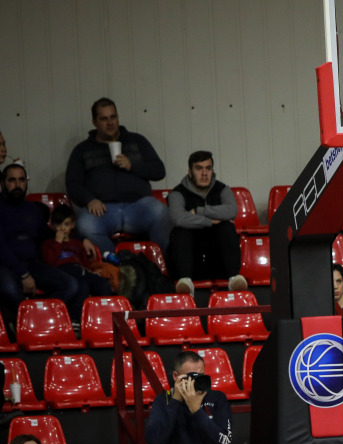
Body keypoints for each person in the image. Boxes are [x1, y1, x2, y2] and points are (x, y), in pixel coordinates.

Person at [66, 98, 169, 255]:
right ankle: (118, 263)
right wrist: (89, 199)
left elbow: (159, 171)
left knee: (162, 213)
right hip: (103, 209)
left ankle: (155, 262)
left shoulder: (137, 141)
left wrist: (132, 165)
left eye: (113, 117)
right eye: (104, 119)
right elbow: (72, 184)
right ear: (94, 122)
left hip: (138, 205)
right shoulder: (82, 150)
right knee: (85, 225)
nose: (110, 123)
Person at [0, 164, 91, 324]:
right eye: (12, 180)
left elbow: (49, 234)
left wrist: (81, 239)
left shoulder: (33, 210)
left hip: (33, 264)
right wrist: (24, 275)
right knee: (9, 289)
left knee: (70, 285)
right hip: (6, 264)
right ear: (3, 183)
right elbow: (2, 248)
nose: (17, 185)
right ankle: (28, 322)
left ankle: (33, 319)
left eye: (21, 180)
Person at [167, 151, 247, 295]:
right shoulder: (177, 193)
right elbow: (178, 218)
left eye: (208, 168)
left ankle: (234, 279)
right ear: (190, 172)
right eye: (199, 168)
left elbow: (231, 211)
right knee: (181, 231)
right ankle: (185, 282)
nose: (204, 173)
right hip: (191, 259)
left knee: (227, 227)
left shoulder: (222, 189)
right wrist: (209, 221)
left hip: (216, 259)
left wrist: (199, 211)